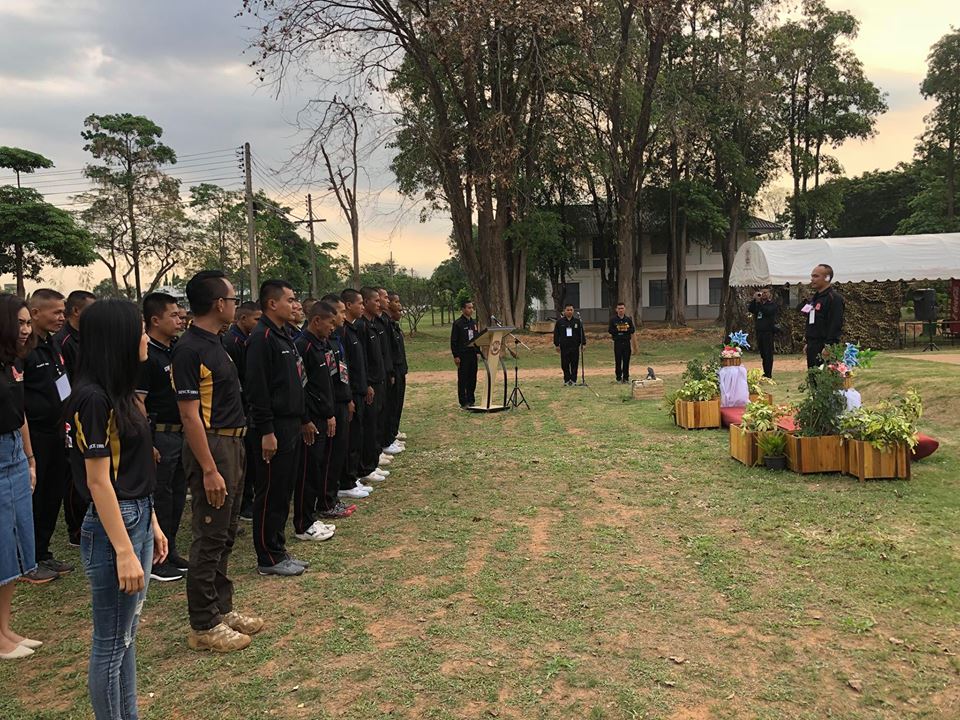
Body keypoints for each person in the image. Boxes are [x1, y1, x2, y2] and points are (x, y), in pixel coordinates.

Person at [65, 298, 168, 719]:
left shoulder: (120, 394)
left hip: (137, 515)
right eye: (139, 330)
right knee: (110, 642)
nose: (145, 337)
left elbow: (132, 469)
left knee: (126, 637)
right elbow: (98, 481)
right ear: (117, 338)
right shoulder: (92, 399)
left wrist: (153, 521)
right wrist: (124, 549)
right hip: (116, 526)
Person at [173, 271, 261, 651]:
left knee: (225, 534)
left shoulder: (217, 343)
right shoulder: (189, 348)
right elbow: (189, 415)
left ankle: (222, 608)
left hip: (233, 444)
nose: (235, 304)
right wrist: (209, 469)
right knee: (209, 536)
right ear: (218, 304)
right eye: (232, 298)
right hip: (212, 447)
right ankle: (203, 625)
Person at [246, 279, 312, 577]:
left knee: (283, 490)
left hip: (290, 423)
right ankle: (267, 557)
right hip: (273, 427)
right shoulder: (262, 338)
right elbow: (257, 390)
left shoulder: (283, 334)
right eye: (290, 299)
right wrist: (267, 431)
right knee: (270, 491)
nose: (295, 304)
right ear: (272, 303)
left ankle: (278, 548)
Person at [0, 294, 42, 659]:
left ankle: (5, 629)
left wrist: (29, 458)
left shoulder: (13, 363)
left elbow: (20, 412)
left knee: (15, 547)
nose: (26, 329)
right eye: (20, 323)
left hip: (14, 451)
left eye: (29, 322)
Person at [136, 292, 189, 582]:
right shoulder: (147, 355)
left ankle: (171, 549)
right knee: (161, 498)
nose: (180, 320)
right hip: (160, 434)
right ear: (155, 320)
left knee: (177, 495)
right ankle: (156, 559)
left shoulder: (175, 349)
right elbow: (138, 401)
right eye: (173, 315)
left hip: (180, 432)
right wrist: (148, 441)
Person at [23, 288, 71, 583]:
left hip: (57, 432)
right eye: (56, 312)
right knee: (35, 496)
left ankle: (43, 552)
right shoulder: (24, 349)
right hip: (36, 435)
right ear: (35, 313)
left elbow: (62, 384)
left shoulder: (52, 344)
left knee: (53, 494)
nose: (61, 317)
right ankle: (27, 560)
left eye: (63, 311)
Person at [292, 302, 340, 541]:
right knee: (307, 472)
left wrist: (330, 412)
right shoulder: (303, 346)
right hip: (311, 420)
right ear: (317, 321)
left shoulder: (322, 345)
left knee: (317, 467)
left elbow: (326, 384)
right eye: (330, 323)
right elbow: (301, 388)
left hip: (323, 415)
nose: (333, 327)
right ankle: (303, 523)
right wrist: (306, 419)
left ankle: (310, 517)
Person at [56, 290, 97, 548]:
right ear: (76, 311)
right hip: (72, 412)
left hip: (89, 408)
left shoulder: (89, 338)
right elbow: (64, 383)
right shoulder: (64, 341)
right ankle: (76, 528)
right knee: (74, 473)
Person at [222, 301, 261, 521]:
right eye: (256, 319)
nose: (258, 323)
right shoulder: (232, 342)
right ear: (243, 318)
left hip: (248, 406)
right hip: (240, 407)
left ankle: (247, 500)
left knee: (250, 461)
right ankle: (245, 504)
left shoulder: (247, 338)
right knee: (244, 461)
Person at [338, 289, 372, 501]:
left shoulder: (353, 330)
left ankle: (352, 477)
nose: (362, 307)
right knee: (350, 440)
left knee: (357, 436)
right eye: (359, 303)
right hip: (350, 394)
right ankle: (346, 482)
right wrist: (348, 397)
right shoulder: (342, 333)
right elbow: (345, 369)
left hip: (359, 389)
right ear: (349, 305)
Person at [355, 287, 390, 483]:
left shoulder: (372, 324)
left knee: (376, 422)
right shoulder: (360, 327)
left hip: (379, 379)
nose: (379, 304)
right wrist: (367, 383)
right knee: (369, 426)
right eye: (375, 301)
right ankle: (366, 467)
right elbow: (362, 360)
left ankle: (373, 461)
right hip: (370, 384)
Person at [799, 264, 845, 368]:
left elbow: (835, 323)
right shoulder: (815, 298)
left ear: (827, 278)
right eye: (812, 276)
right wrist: (808, 342)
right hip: (813, 345)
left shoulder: (834, 298)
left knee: (823, 375)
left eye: (816, 276)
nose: (812, 279)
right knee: (813, 375)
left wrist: (829, 346)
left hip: (824, 346)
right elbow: (813, 322)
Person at [385, 291, 408, 446]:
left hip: (400, 367)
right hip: (392, 370)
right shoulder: (385, 324)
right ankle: (389, 436)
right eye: (396, 302)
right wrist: (391, 371)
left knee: (398, 402)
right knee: (391, 404)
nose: (399, 306)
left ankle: (394, 431)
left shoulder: (394, 325)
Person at [450, 299, 480, 408]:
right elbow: (454, 341)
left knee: (472, 378)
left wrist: (478, 352)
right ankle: (463, 402)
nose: (471, 310)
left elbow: (477, 338)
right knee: (463, 378)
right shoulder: (458, 323)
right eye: (469, 308)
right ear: (463, 309)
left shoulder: (473, 322)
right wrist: (456, 356)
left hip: (472, 354)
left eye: (472, 308)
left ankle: (471, 400)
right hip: (463, 355)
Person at [748, 288, 779, 378]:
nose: (763, 294)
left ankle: (768, 374)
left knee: (768, 353)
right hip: (759, 332)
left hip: (768, 332)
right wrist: (754, 300)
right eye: (761, 292)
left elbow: (767, 312)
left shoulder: (772, 305)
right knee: (763, 353)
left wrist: (759, 303)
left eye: (765, 292)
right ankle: (765, 372)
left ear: (769, 294)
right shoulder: (759, 304)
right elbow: (751, 309)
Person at [553, 303, 585, 386]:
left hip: (575, 346)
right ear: (564, 311)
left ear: (573, 311)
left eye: (571, 310)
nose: (569, 311)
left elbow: (581, 333)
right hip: (564, 346)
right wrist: (557, 345)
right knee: (565, 364)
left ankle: (573, 380)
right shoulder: (560, 322)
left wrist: (583, 344)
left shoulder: (577, 322)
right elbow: (556, 334)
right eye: (568, 310)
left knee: (574, 363)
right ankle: (567, 380)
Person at [607, 302, 635, 383]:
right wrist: (618, 329)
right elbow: (610, 330)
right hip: (618, 342)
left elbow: (632, 330)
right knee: (618, 361)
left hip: (626, 342)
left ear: (625, 309)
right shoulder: (613, 320)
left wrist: (626, 329)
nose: (621, 310)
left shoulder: (628, 319)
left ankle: (626, 378)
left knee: (626, 361)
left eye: (622, 308)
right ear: (616, 310)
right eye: (619, 308)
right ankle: (618, 378)